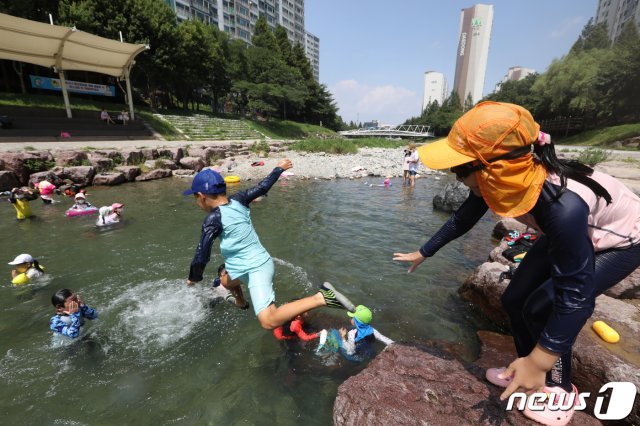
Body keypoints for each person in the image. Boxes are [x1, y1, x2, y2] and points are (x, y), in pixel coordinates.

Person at [393, 101, 640, 426]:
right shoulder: (500, 177)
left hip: (621, 242)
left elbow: (576, 299)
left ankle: (560, 389)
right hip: (565, 235)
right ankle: (526, 371)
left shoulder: (562, 207)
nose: (456, 176)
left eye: (461, 169)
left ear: (492, 168)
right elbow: (464, 217)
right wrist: (425, 251)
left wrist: (543, 358)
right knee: (514, 299)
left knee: (544, 306)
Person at [184, 160, 356, 330]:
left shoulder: (213, 219)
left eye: (195, 197)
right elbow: (262, 187)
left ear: (201, 196)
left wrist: (194, 278)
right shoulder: (238, 199)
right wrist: (278, 169)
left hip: (255, 269)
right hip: (245, 265)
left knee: (269, 321)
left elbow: (202, 255)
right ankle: (241, 302)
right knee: (225, 281)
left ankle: (322, 298)